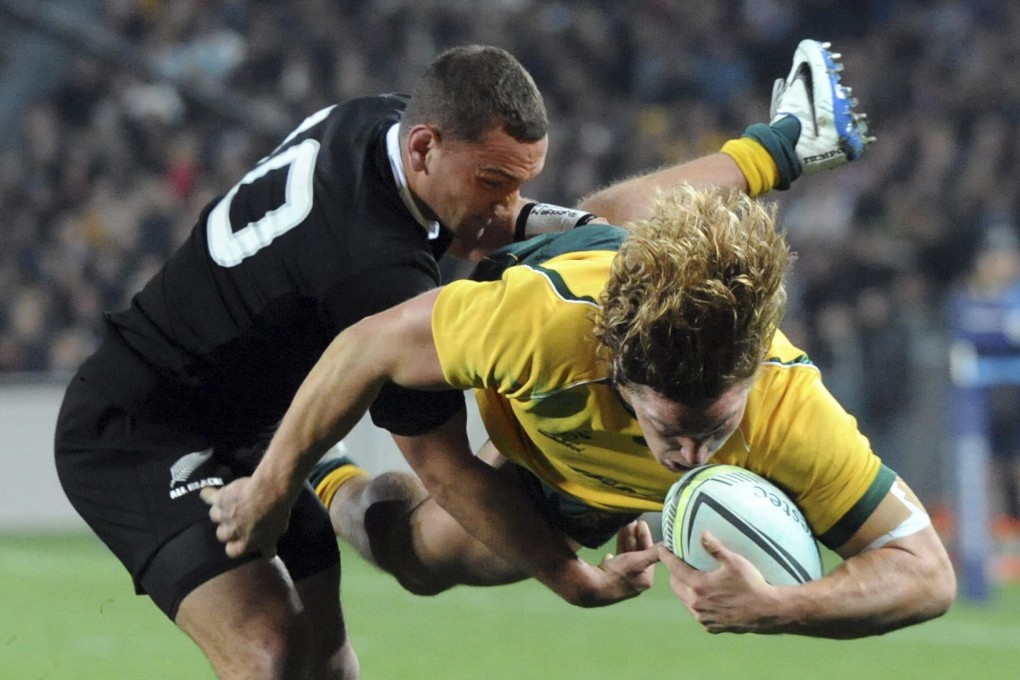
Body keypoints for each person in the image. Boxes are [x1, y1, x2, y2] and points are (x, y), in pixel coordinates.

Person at [55, 39, 860, 678]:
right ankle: (784, 145)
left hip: (263, 419)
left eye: (519, 182)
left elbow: (533, 220)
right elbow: (443, 470)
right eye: (492, 183)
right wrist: (569, 577)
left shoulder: (382, 126)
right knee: (271, 656)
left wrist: (565, 225)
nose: (506, 205)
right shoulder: (378, 275)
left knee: (327, 667)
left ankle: (786, 143)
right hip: (143, 427)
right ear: (425, 149)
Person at [202, 43, 954, 640]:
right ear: (619, 369)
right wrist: (272, 485)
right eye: (673, 429)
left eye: (716, 426)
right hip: (551, 393)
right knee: (410, 556)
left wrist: (781, 607)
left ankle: (788, 143)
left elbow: (927, 575)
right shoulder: (540, 320)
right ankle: (327, 471)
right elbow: (364, 352)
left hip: (584, 474)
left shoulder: (790, 411)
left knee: (616, 229)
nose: (693, 458)